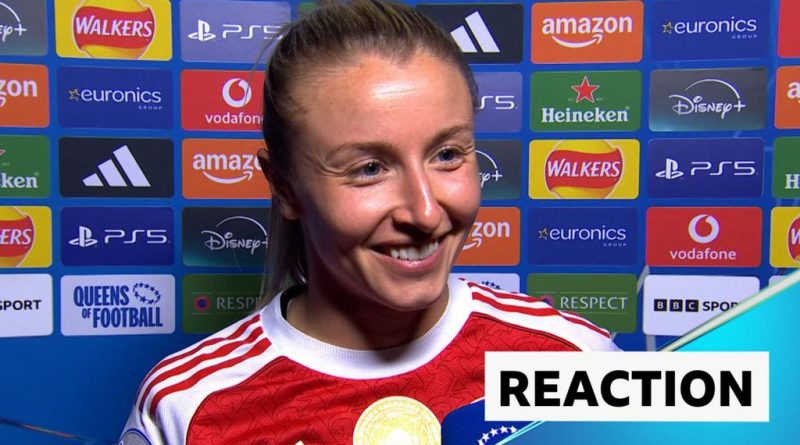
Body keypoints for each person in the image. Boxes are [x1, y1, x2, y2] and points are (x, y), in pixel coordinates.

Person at [120, 1, 619, 444]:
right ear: (286, 185)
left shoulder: (569, 359)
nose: (424, 213)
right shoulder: (189, 408)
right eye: (369, 169)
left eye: (447, 154)